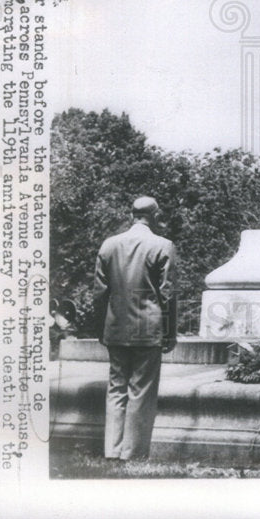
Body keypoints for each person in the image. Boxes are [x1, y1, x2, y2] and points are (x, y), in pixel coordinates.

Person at [93, 196, 177, 461]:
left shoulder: (109, 245)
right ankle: (133, 453)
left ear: (132, 214)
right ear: (154, 215)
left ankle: (112, 450)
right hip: (147, 328)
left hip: (116, 326)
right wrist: (170, 331)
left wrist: (101, 328)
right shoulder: (162, 245)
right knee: (141, 391)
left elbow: (99, 293)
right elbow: (168, 294)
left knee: (116, 388)